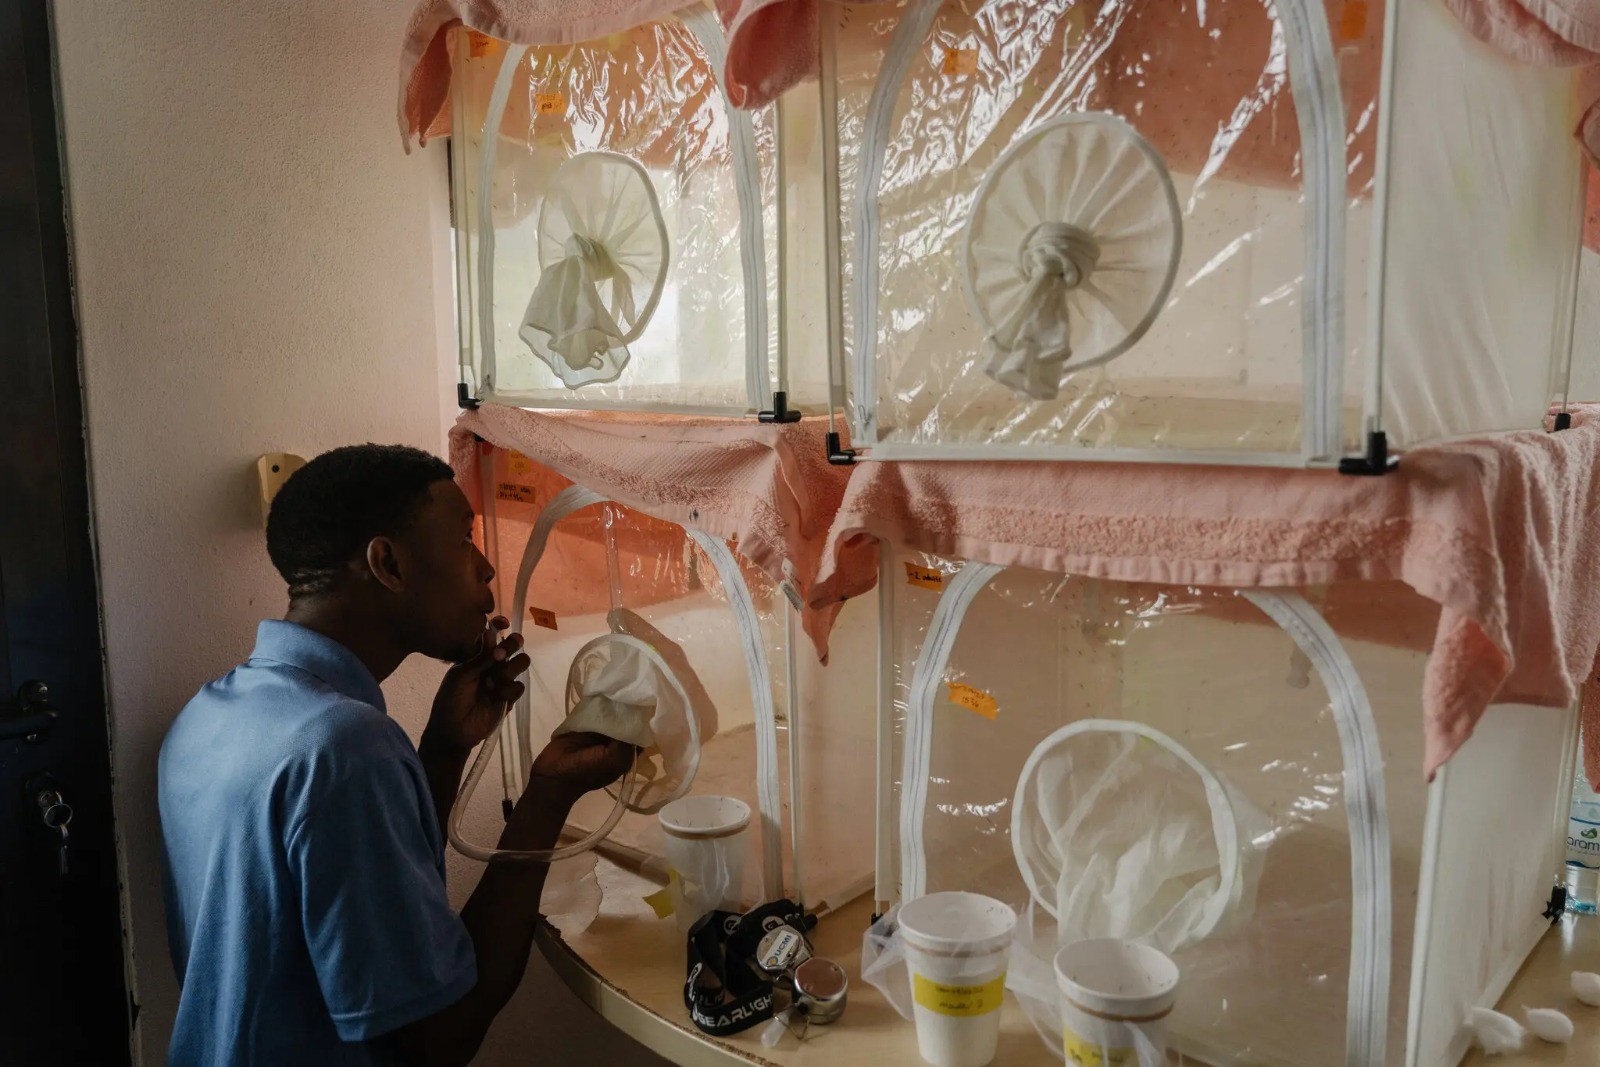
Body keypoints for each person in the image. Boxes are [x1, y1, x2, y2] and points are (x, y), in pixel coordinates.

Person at [158, 444, 634, 1066]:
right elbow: (437, 1038)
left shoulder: (212, 713)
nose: (487, 568)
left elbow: (365, 905)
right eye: (464, 539)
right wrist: (547, 796)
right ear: (387, 563)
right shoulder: (345, 749)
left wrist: (441, 751)